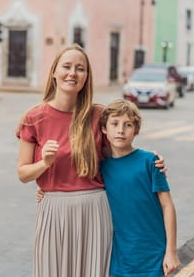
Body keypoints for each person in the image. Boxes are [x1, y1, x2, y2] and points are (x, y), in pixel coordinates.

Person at [16, 44, 166, 277]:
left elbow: (121, 148)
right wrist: (45, 163)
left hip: (95, 209)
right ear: (54, 71)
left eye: (80, 68)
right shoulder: (34, 117)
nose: (72, 73)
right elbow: (23, 174)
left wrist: (151, 160)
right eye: (67, 66)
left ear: (87, 77)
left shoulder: (98, 116)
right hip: (53, 210)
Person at [100, 99, 180, 277]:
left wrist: (171, 252)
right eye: (114, 124)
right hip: (120, 257)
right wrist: (43, 190)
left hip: (153, 254)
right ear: (104, 129)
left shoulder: (150, 161)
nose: (120, 130)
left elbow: (167, 206)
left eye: (127, 125)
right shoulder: (101, 167)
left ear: (136, 130)